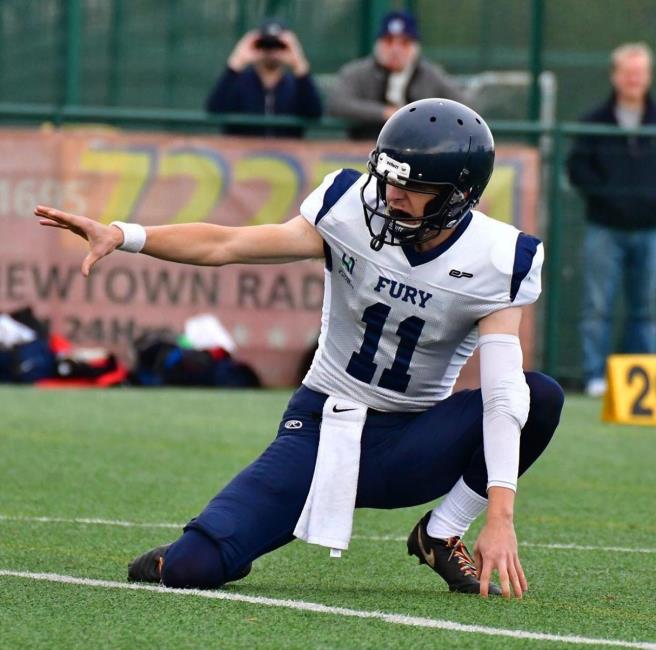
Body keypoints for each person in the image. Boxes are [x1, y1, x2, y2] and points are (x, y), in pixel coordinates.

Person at [35, 98, 564, 599]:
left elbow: (501, 396)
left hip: (411, 442)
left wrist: (498, 518)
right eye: (386, 179)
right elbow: (228, 245)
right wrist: (124, 234)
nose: (389, 196)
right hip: (322, 426)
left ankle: (440, 533)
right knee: (192, 570)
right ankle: (210, 544)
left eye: (412, 187)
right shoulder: (348, 208)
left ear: (458, 194)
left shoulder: (497, 257)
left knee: (537, 395)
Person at [568, 42, 656, 398]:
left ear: (648, 76)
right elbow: (578, 169)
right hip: (604, 228)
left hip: (651, 229)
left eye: (640, 72)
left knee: (647, 308)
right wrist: (609, 199)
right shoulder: (593, 122)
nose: (634, 79)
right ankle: (594, 377)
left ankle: (643, 381)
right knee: (597, 305)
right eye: (628, 72)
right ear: (615, 75)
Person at [328, 10, 466, 140]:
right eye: (388, 41)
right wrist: (384, 113)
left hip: (420, 147)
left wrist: (423, 116)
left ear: (415, 47)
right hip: (365, 145)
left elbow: (464, 107)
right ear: (378, 44)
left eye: (404, 43)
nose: (395, 49)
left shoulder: (430, 75)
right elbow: (338, 104)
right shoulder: (357, 72)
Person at [205, 18, 322, 138]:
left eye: (279, 45)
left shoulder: (297, 85)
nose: (272, 51)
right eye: (265, 44)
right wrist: (236, 62)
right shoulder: (238, 82)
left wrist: (299, 64)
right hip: (243, 154)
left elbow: (314, 113)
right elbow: (214, 109)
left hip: (286, 155)